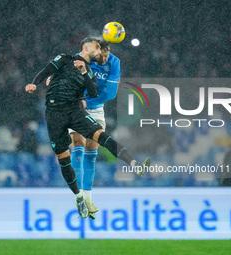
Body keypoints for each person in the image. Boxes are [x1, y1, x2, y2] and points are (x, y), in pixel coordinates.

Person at [25, 37, 151, 219]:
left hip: (78, 109)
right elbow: (48, 70)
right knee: (66, 155)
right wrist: (35, 83)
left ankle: (133, 164)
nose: (100, 53)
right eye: (97, 49)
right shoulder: (65, 59)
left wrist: (84, 73)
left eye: (102, 50)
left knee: (99, 139)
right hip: (55, 113)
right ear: (86, 47)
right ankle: (79, 197)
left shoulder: (93, 69)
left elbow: (94, 92)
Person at [69, 41, 120, 219]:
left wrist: (88, 102)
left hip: (95, 107)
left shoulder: (114, 63)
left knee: (92, 151)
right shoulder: (83, 58)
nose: (103, 59)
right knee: (78, 142)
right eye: (100, 56)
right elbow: (67, 69)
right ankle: (79, 196)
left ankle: (87, 198)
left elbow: (110, 93)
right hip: (76, 105)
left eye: (106, 56)